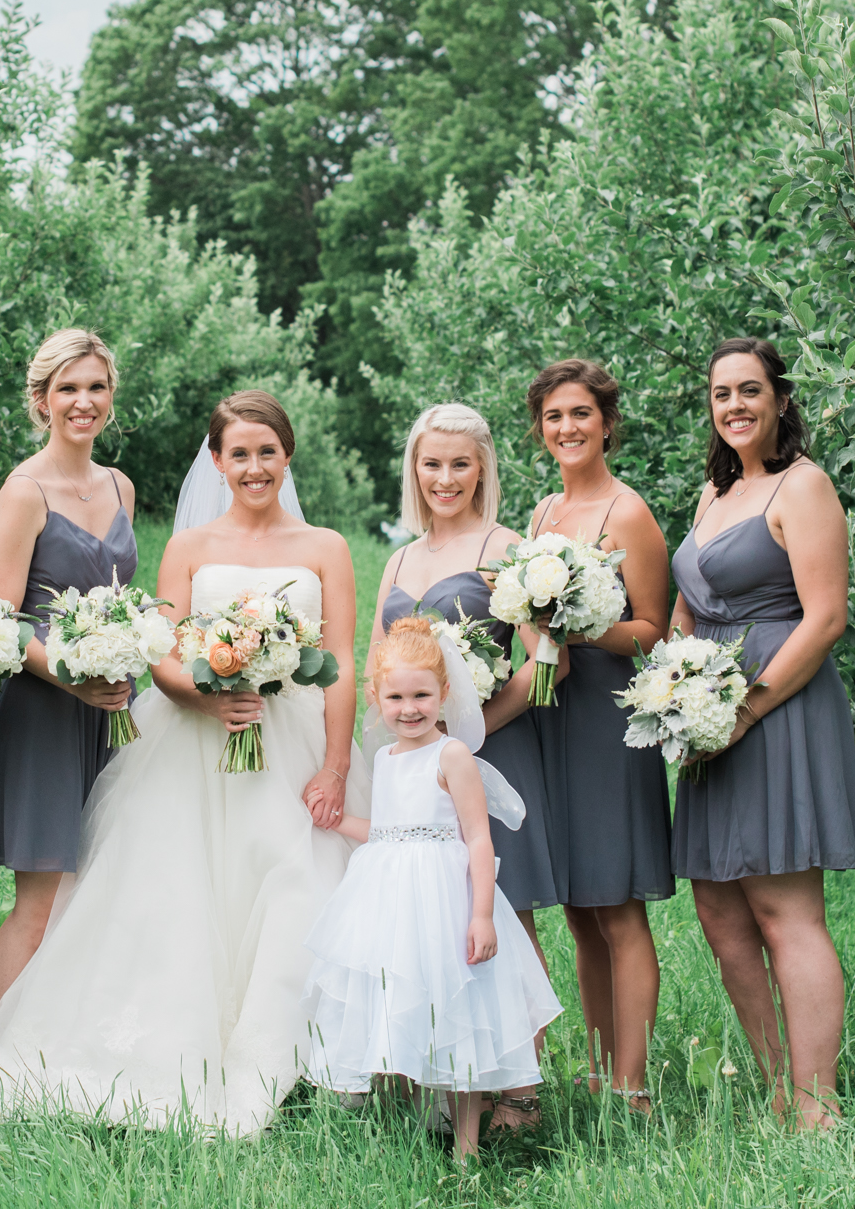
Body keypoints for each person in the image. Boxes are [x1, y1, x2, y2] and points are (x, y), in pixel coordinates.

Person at [0, 390, 366, 1137]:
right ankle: (182, 1046)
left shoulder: (326, 546)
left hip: (295, 741)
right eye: (238, 453)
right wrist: (207, 698)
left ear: (288, 456)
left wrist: (336, 764)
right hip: (197, 740)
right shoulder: (189, 547)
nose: (253, 466)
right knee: (186, 890)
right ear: (216, 461)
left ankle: (299, 1057)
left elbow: (338, 658)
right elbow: (166, 651)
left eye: (267, 451)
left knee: (295, 880)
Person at [669, 336, 855, 1130]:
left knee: (787, 912)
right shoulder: (714, 495)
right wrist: (673, 692)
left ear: (781, 398)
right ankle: (779, 1080)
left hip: (776, 709)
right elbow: (689, 605)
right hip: (708, 715)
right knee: (719, 912)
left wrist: (743, 709)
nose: (736, 405)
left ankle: (819, 1105)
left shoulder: (803, 485)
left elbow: (824, 619)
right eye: (722, 394)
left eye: (750, 390)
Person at [300, 617, 561, 1162]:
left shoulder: (452, 756)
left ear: (445, 693)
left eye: (422, 695)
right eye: (395, 696)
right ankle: (421, 1124)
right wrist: (338, 822)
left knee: (457, 1016)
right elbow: (388, 833)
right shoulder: (386, 759)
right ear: (376, 697)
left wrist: (482, 915)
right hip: (394, 906)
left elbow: (478, 839)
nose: (409, 708)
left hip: (447, 902)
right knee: (409, 1007)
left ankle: (468, 1147)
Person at [369, 402, 563, 1130]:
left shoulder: (507, 545)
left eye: (459, 463)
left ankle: (520, 1087)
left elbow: (549, 658)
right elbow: (378, 663)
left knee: (506, 917)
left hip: (488, 751)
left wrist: (468, 733)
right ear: (413, 469)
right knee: (426, 918)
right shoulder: (399, 556)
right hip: (413, 756)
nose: (444, 477)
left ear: (482, 467)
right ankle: (440, 1073)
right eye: (431, 462)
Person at [0, 329, 139, 1021]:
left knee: (97, 892)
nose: (83, 401)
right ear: (41, 400)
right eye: (67, 388)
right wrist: (73, 676)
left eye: (95, 387)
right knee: (38, 902)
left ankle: (62, 1046)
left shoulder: (121, 485)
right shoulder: (24, 490)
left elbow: (126, 596)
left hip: (112, 713)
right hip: (44, 710)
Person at [523, 358, 671, 1110]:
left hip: (607, 719)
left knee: (617, 903)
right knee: (579, 904)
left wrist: (583, 625)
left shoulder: (628, 512)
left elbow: (653, 628)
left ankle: (634, 1083)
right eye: (553, 416)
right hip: (549, 713)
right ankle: (598, 1066)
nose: (567, 428)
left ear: (607, 422)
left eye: (580, 413)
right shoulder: (545, 512)